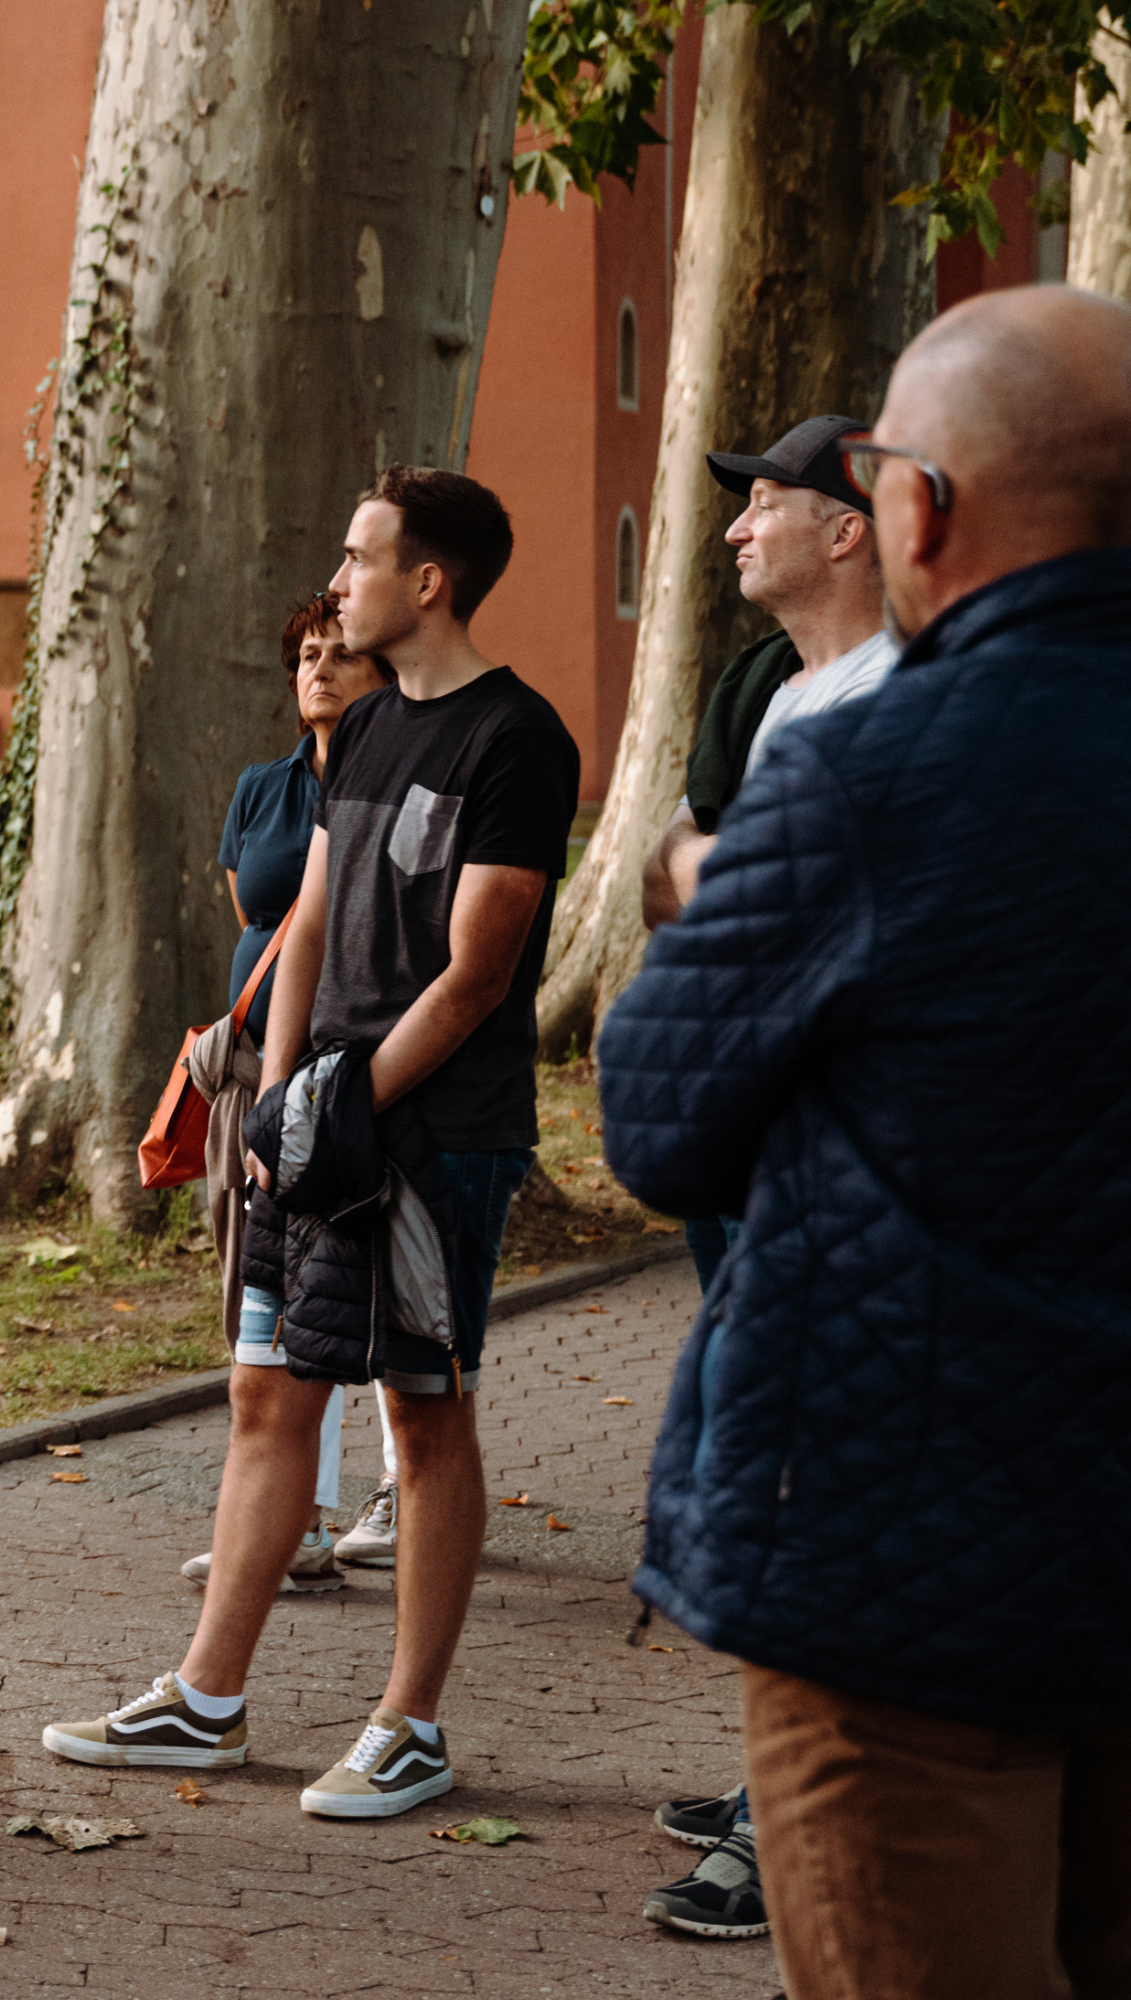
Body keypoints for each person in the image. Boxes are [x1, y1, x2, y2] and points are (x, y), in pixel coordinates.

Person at [600, 284, 1131, 2000]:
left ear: (927, 507)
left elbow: (657, 1121)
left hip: (907, 1557)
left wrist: (710, 910)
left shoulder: (871, 772)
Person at [46, 466, 578, 1819]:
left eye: (357, 559)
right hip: (318, 1124)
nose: (336, 584)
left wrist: (350, 1106)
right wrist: (284, 1101)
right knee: (266, 1395)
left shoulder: (517, 740)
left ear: (427, 581)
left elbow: (476, 975)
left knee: (422, 1410)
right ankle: (207, 1700)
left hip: (437, 1134)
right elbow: (311, 927)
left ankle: (411, 1726)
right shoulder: (373, 727)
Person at [626, 413, 896, 1945]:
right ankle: (775, 1773)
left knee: (802, 1468)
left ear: (849, 529)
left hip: (828, 1155)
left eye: (767, 503)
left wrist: (717, 882)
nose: (736, 527)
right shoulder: (770, 693)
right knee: (759, 1454)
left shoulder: (903, 701)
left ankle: (794, 1822)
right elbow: (673, 873)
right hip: (741, 1135)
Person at [179, 594, 398, 1596]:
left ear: (381, 673)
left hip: (353, 1069)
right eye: (307, 654)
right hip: (262, 1074)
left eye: (341, 654)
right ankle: (293, 1516)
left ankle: (389, 1489)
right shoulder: (262, 789)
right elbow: (255, 913)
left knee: (357, 1282)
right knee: (271, 1290)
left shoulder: (391, 781)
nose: (320, 669)